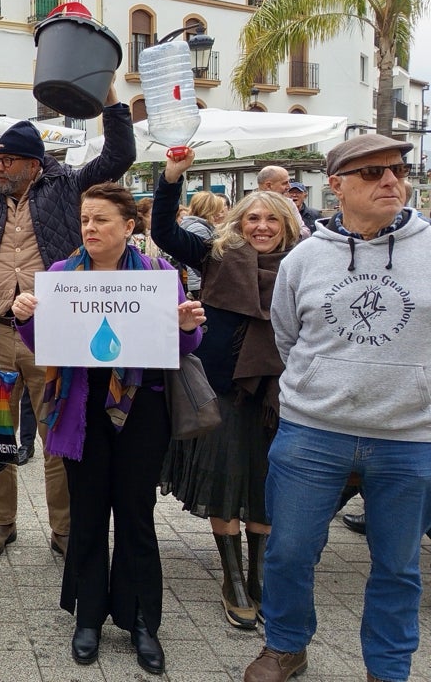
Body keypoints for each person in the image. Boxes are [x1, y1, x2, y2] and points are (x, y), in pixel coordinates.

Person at [0, 92, 135, 559]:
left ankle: (63, 527)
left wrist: (110, 96)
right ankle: (3, 522)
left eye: (6, 160)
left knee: (55, 434)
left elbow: (119, 155)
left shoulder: (69, 187)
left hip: (49, 334)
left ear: (33, 164)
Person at [245, 135, 431, 682]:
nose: (391, 181)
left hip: (410, 435)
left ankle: (388, 668)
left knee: (398, 567)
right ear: (338, 186)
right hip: (313, 432)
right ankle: (286, 646)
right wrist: (328, 382)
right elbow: (287, 337)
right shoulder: (305, 258)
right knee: (288, 553)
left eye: (396, 169)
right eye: (372, 173)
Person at [15, 183, 202, 675]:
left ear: (129, 226)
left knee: (137, 516)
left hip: (143, 412)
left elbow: (182, 346)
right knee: (90, 514)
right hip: (81, 410)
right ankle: (90, 616)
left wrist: (187, 326)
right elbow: (44, 344)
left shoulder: (160, 275)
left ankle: (142, 621)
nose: (90, 229)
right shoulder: (60, 276)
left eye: (101, 220)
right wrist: (26, 319)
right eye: (85, 220)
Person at [153, 149, 301, 632]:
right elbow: (164, 232)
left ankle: (258, 574)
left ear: (287, 224)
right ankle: (233, 579)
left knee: (264, 486)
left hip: (280, 394)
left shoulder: (305, 265)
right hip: (221, 388)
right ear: (239, 222)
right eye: (253, 218)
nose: (261, 226)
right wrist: (172, 176)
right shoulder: (217, 256)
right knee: (225, 480)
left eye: (271, 219)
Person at [177, 191, 226, 298]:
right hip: (200, 283)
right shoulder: (198, 228)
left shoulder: (196, 225)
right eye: (217, 210)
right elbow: (203, 258)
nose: (219, 213)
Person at [256, 166, 311, 240]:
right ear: (268, 186)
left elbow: (305, 232)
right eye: (285, 183)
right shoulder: (247, 205)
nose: (289, 187)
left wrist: (286, 234)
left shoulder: (288, 204)